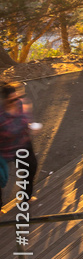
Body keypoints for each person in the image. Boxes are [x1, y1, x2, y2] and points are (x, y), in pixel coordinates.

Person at [0, 82, 39, 212]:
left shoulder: (21, 103)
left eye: (16, 98)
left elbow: (26, 118)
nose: (16, 101)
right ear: (4, 100)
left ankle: (26, 197)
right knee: (1, 178)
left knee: (31, 167)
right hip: (4, 147)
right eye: (12, 100)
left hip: (22, 142)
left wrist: (29, 126)